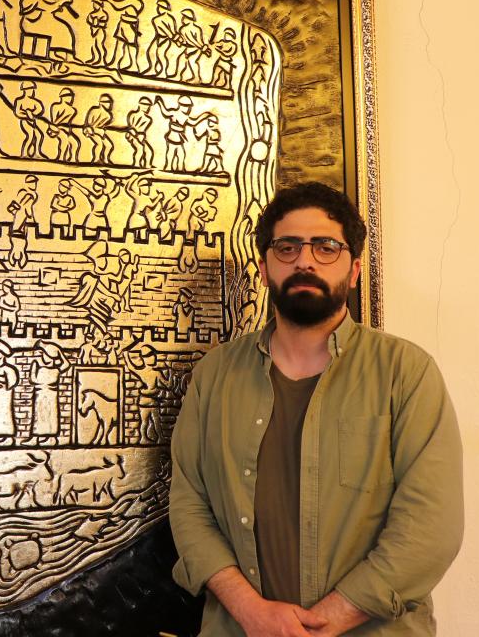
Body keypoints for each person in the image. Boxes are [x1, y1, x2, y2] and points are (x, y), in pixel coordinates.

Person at [169, 182, 463, 637]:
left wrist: (326, 622)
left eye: (326, 247)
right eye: (287, 247)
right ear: (264, 268)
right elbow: (190, 506)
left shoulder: (405, 372)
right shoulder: (214, 375)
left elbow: (430, 528)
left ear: (354, 270)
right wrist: (250, 611)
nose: (304, 261)